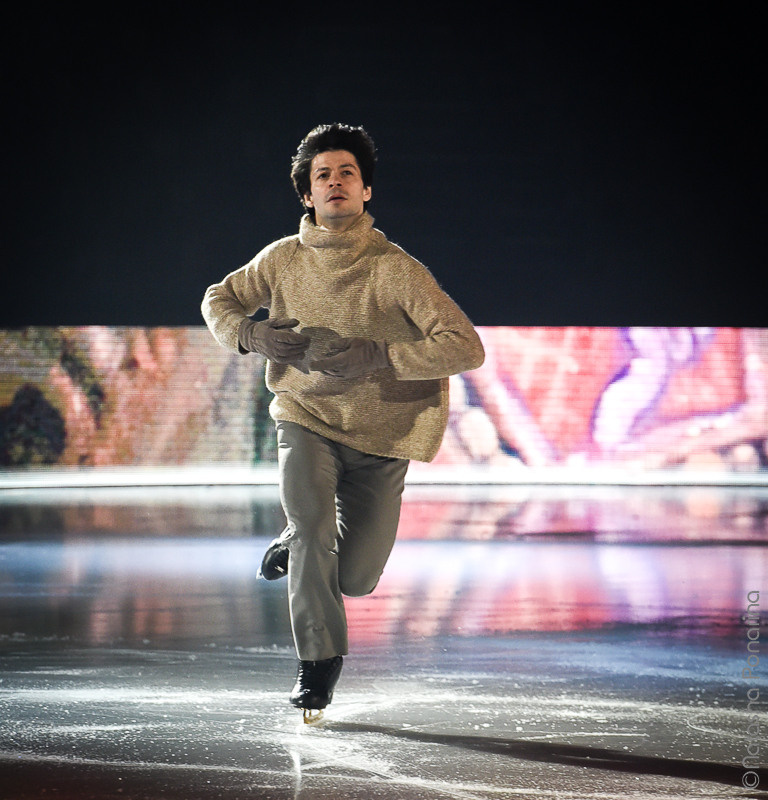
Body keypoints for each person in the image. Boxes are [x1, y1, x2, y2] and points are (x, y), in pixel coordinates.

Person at [201, 123, 485, 721]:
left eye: (346, 173)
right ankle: (318, 666)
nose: (334, 183)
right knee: (311, 532)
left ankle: (298, 537)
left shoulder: (395, 269)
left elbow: (465, 346)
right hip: (304, 418)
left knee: (353, 578)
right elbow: (217, 300)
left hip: (382, 438)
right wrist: (250, 333)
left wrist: (382, 354)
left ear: (366, 191)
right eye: (322, 175)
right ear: (306, 194)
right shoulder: (280, 259)